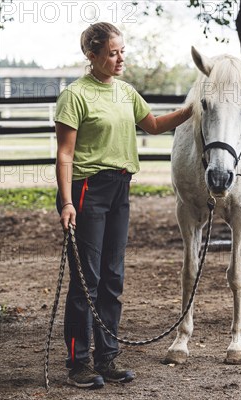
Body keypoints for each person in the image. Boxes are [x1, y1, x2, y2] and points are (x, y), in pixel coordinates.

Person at [55, 22, 192, 389]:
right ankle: (78, 363)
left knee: (112, 277)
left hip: (120, 188)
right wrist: (67, 202)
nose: (120, 59)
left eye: (122, 52)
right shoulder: (75, 95)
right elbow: (65, 155)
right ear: (92, 55)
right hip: (86, 190)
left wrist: (192, 109)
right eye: (112, 53)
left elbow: (154, 125)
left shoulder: (127, 92)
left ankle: (108, 357)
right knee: (88, 280)